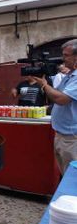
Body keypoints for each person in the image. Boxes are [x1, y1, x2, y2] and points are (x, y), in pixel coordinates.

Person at [31, 39, 77, 174]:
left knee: (73, 179)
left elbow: (61, 99)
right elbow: (57, 95)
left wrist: (44, 85)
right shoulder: (69, 76)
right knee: (66, 176)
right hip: (63, 136)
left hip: (72, 139)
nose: (63, 59)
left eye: (66, 55)